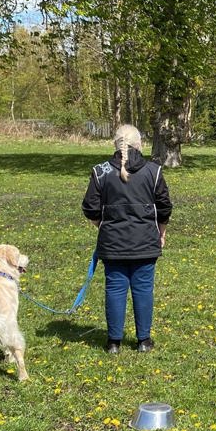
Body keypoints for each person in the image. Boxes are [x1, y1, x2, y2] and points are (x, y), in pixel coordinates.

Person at [82, 125, 172, 353]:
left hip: (113, 245)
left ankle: (114, 342)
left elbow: (90, 209)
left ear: (116, 144)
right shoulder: (154, 171)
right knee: (143, 289)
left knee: (115, 289)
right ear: (139, 144)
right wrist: (161, 232)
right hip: (145, 243)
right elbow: (164, 208)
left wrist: (102, 226)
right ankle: (143, 341)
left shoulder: (100, 171)